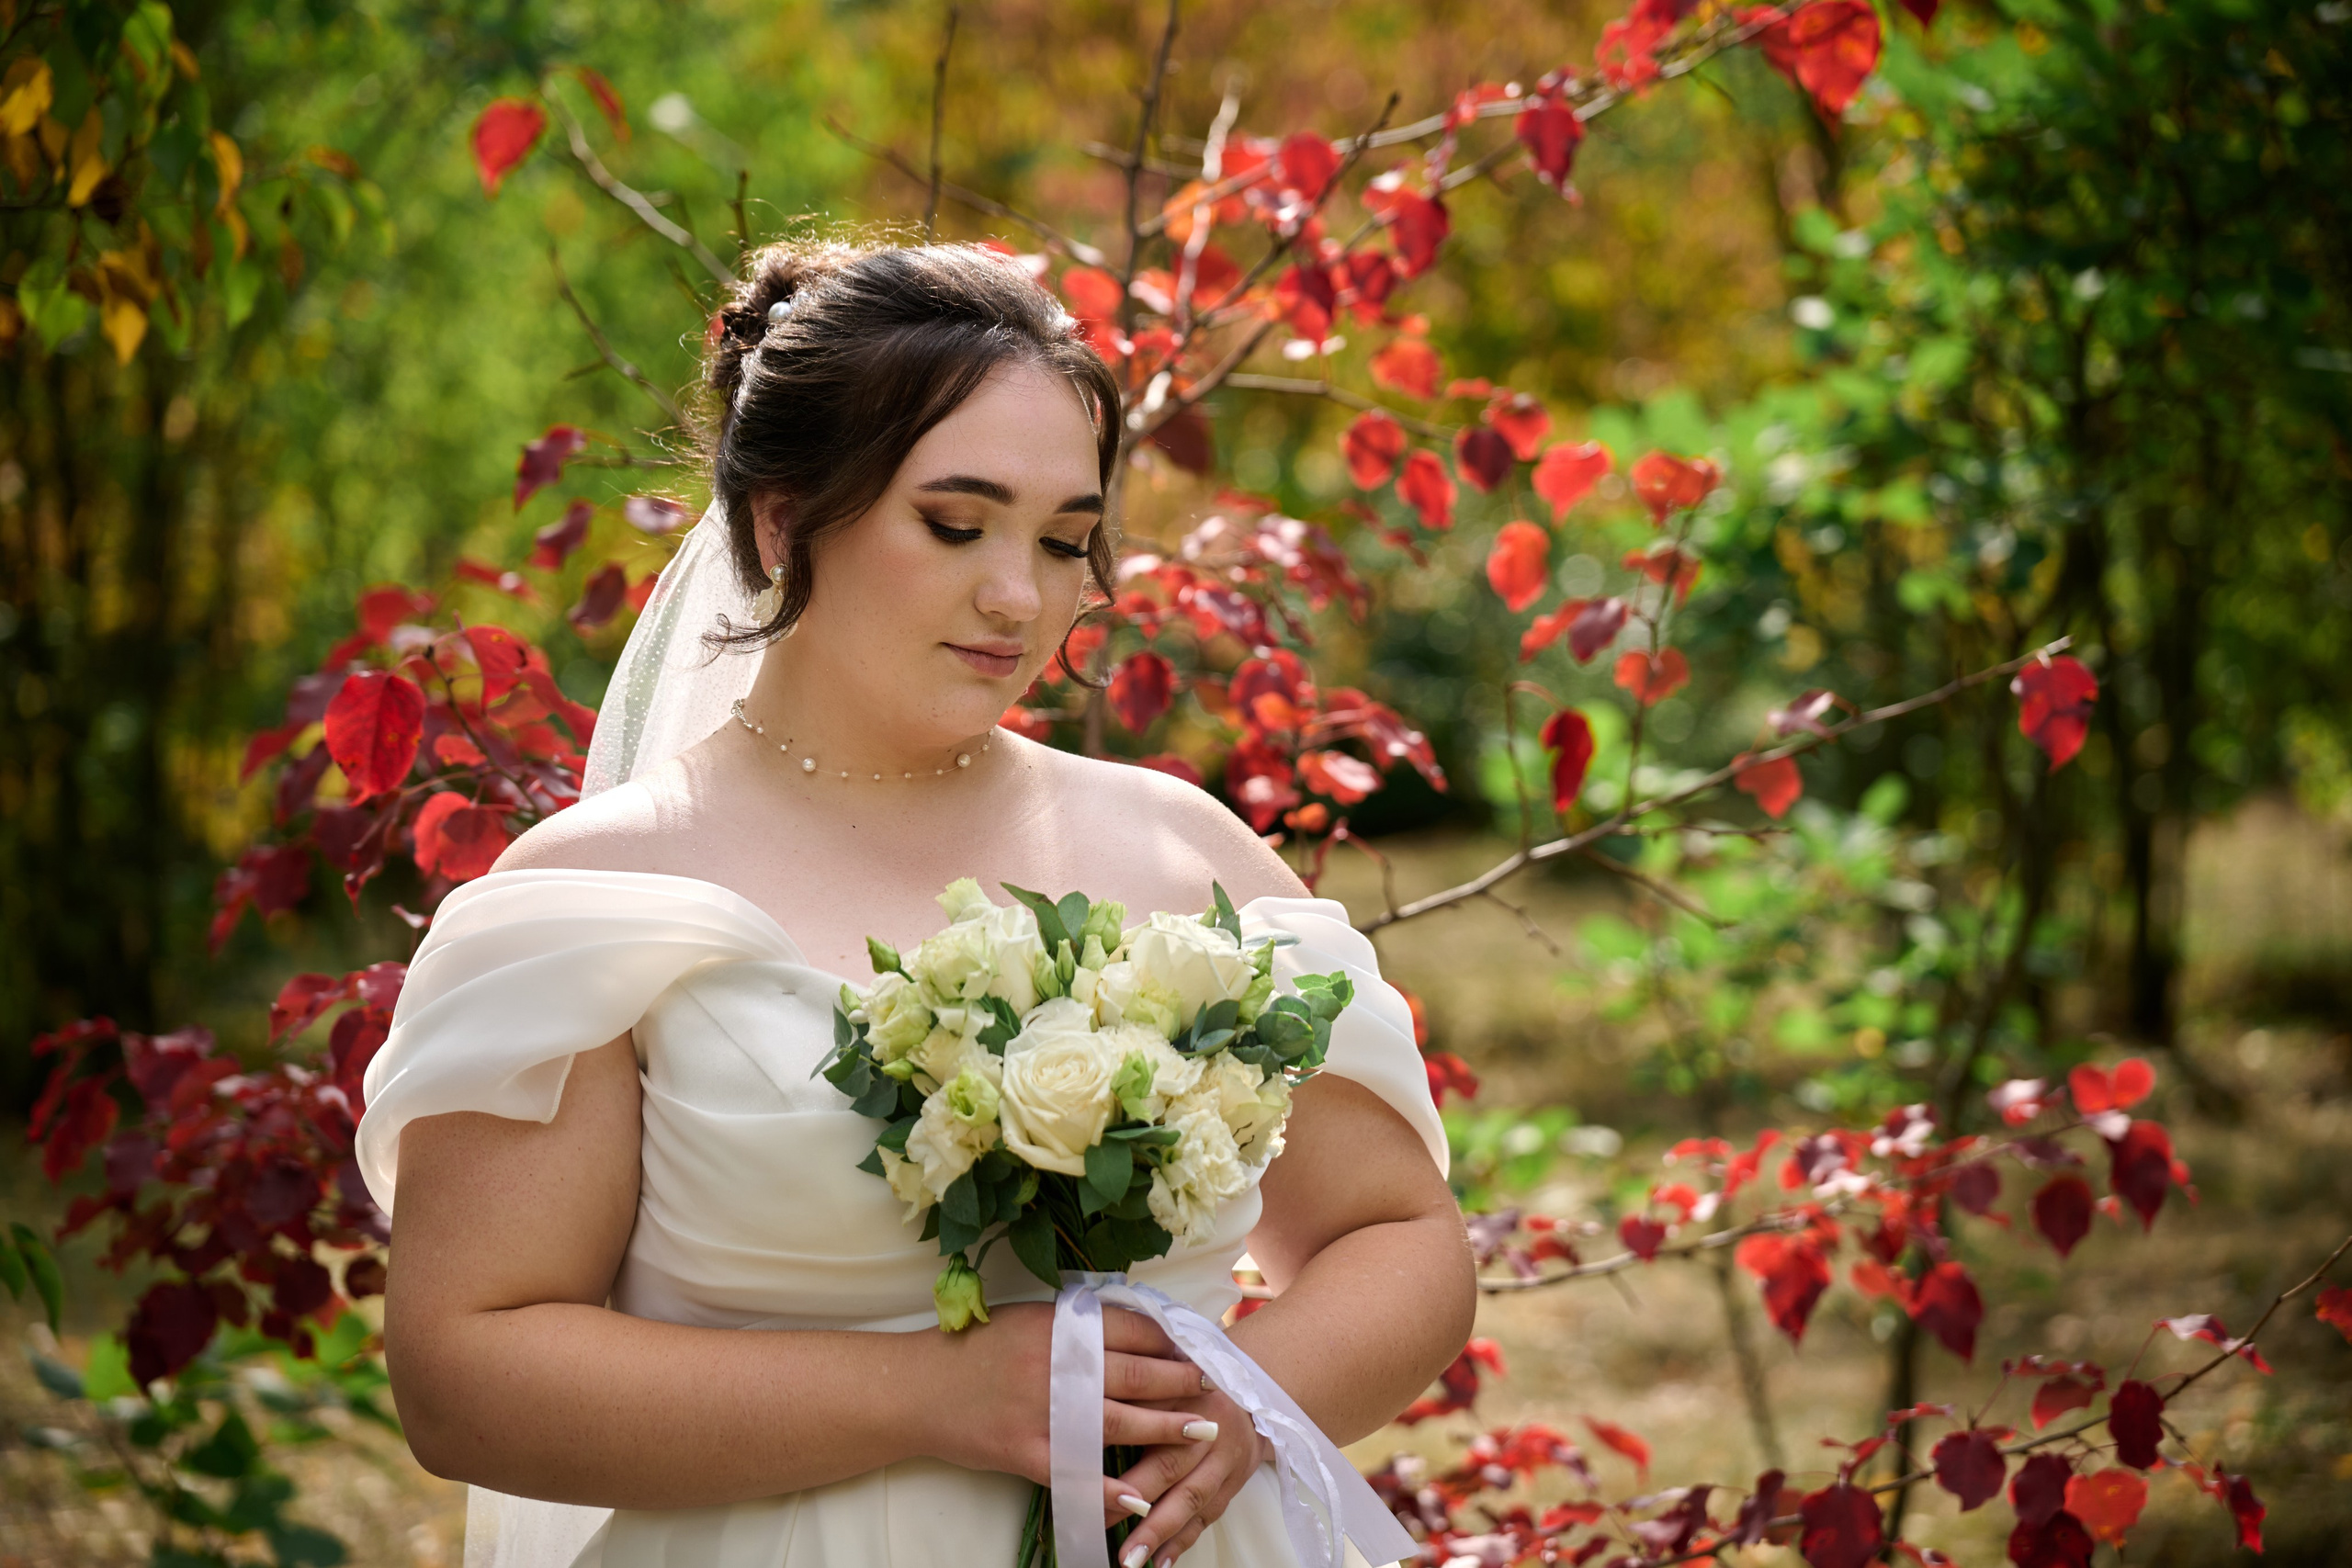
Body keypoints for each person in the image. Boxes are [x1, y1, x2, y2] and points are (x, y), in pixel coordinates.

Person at [359, 240, 1475, 1568]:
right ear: (781, 519)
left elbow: (1399, 1235)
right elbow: (464, 1374)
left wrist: (1241, 1401)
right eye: (956, 524)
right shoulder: (602, 894)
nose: (1021, 596)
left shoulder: (1185, 853)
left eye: (1065, 540)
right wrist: (934, 1398)